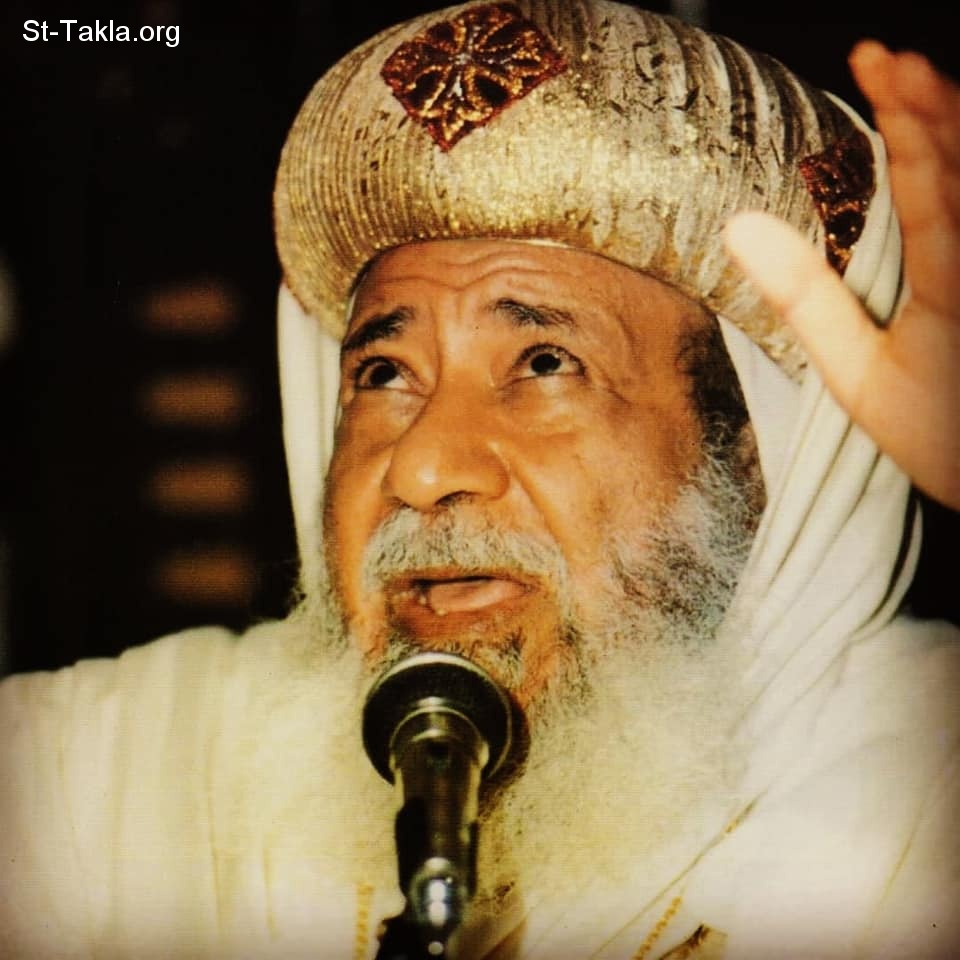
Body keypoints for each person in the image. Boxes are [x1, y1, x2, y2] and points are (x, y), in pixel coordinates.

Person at [2, 2, 958, 958]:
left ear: (756, 448)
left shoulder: (925, 794)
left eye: (544, 364)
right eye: (384, 374)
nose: (422, 468)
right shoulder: (118, 777)